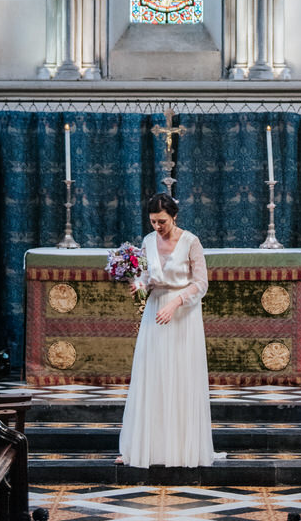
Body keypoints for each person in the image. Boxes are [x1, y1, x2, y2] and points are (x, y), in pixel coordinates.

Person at [118, 191, 215, 469]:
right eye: (153, 222)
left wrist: (175, 303)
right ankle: (145, 448)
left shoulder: (191, 242)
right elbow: (149, 276)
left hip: (183, 314)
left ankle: (182, 449)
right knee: (152, 376)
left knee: (180, 377)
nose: (157, 227)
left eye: (162, 221)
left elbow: (201, 283)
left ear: (174, 216)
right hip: (155, 311)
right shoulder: (148, 241)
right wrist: (139, 284)